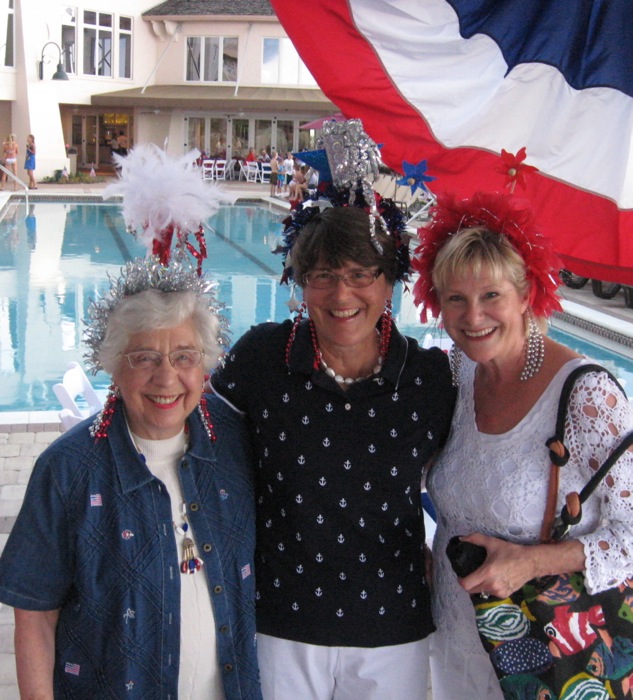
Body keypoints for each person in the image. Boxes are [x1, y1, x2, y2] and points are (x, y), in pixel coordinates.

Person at [0, 145, 262, 700]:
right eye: (145, 356)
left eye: (184, 356)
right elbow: (34, 619)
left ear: (206, 365)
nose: (166, 377)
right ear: (115, 367)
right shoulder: (68, 470)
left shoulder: (236, 444)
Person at [212, 119, 456, 699]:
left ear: (389, 280)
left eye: (359, 275)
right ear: (299, 283)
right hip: (281, 622)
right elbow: (194, 439)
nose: (342, 296)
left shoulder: (430, 378)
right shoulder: (262, 359)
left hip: (392, 627)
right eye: (322, 277)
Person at [411, 191, 633, 699]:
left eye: (491, 295)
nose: (473, 316)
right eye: (456, 298)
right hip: (457, 637)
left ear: (526, 292)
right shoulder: (460, 373)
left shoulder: (586, 395)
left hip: (549, 649)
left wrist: (531, 562)